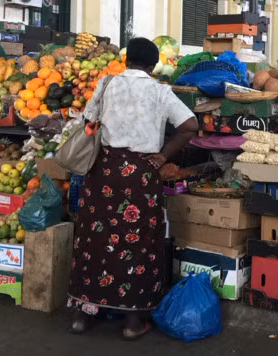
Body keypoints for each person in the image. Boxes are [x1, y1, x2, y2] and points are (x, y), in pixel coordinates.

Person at [67, 37, 198, 338]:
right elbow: (190, 126)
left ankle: (82, 316)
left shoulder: (106, 83)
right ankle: (132, 322)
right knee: (136, 244)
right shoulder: (160, 91)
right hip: (140, 175)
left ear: (126, 61)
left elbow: (88, 124)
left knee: (94, 242)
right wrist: (163, 155)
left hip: (103, 172)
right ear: (153, 66)